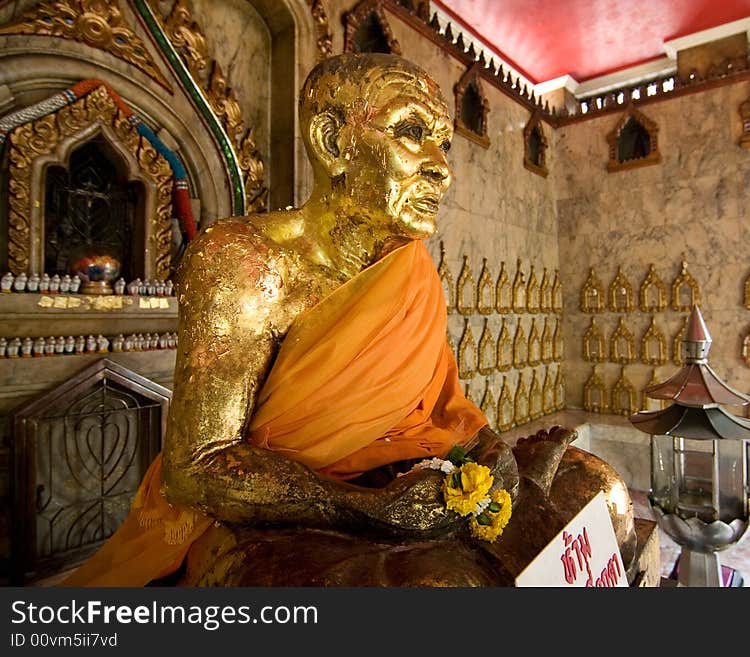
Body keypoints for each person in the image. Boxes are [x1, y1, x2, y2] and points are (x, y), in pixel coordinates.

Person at [64, 53, 635, 587]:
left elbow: (438, 410)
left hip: (395, 481)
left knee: (600, 488)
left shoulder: (408, 270)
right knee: (440, 586)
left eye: (442, 145)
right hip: (262, 518)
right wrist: (370, 511)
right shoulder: (244, 261)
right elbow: (196, 469)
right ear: (333, 141)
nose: (441, 170)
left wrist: (491, 453)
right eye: (412, 134)